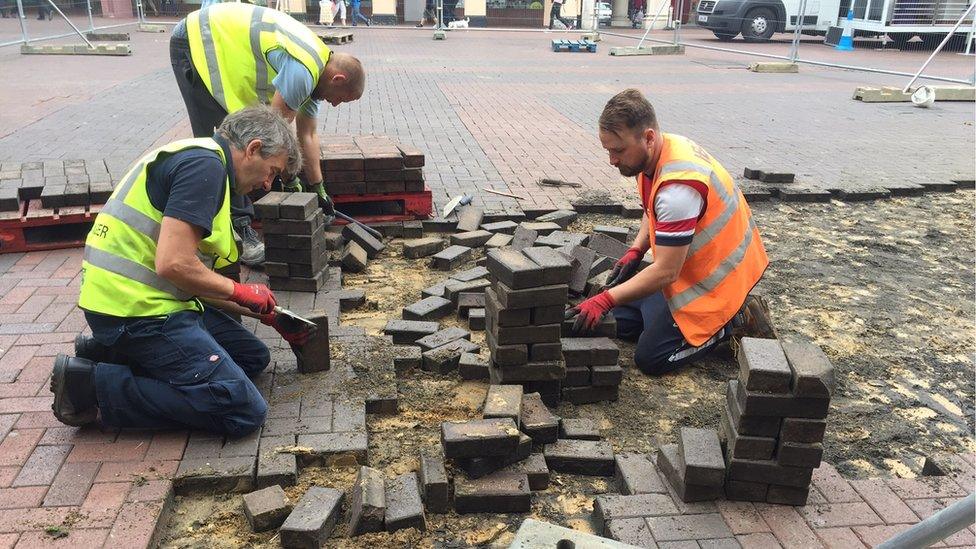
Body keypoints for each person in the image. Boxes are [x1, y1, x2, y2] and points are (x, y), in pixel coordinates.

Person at [51, 106, 314, 436]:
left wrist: (269, 314)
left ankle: (106, 353)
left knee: (252, 357)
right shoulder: (203, 167)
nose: (266, 183)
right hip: (134, 312)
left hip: (155, 300)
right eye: (271, 171)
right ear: (253, 149)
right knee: (241, 409)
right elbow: (173, 264)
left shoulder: (203, 162)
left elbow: (195, 280)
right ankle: (90, 385)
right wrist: (242, 291)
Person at [567, 89, 774, 376]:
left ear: (648, 137)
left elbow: (665, 272)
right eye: (608, 150)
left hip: (717, 282)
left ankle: (731, 323)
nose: (612, 160)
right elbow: (651, 210)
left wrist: (604, 298)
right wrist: (636, 249)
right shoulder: (655, 154)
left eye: (618, 150)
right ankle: (665, 319)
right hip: (689, 270)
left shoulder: (678, 189)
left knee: (651, 358)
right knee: (618, 322)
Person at [169, 2, 366, 265]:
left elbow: (306, 135)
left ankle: (229, 220)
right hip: (198, 43)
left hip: (216, 41)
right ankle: (236, 231)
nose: (336, 104)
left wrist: (318, 188)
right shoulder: (303, 72)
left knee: (246, 147)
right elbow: (273, 134)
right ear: (338, 80)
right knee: (230, 148)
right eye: (342, 99)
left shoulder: (317, 72)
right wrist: (287, 177)